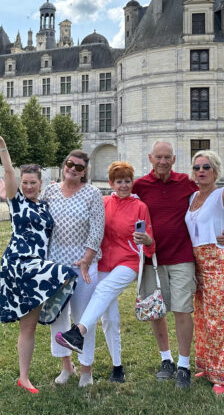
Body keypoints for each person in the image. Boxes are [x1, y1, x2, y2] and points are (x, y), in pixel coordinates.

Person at [0, 127, 78, 394]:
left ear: (41, 183)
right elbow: (9, 173)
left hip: (37, 266)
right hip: (20, 263)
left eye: (32, 182)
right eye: (24, 182)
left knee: (29, 324)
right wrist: (2, 144)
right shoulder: (16, 202)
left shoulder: (45, 205)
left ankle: (33, 374)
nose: (27, 186)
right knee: (65, 273)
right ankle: (25, 376)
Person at [131, 141, 224, 390]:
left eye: (167, 157)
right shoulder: (140, 185)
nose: (162, 161)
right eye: (158, 157)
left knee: (183, 311)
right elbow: (122, 204)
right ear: (151, 158)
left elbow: (213, 201)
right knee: (156, 311)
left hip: (182, 257)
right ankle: (167, 360)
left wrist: (223, 229)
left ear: (173, 160)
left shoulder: (186, 183)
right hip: (152, 259)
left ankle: (184, 365)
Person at [56, 161, 155, 383]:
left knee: (102, 289)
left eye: (127, 181)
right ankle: (117, 367)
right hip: (103, 264)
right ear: (111, 183)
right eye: (119, 181)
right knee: (110, 317)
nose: (123, 185)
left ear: (132, 183)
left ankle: (78, 331)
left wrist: (147, 240)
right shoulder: (102, 203)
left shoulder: (140, 207)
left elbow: (150, 245)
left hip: (128, 263)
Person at [41, 150, 105, 387]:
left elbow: (97, 230)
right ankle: (67, 366)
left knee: (82, 321)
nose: (73, 169)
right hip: (56, 267)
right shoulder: (50, 191)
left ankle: (86, 371)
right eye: (70, 164)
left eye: (79, 167)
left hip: (83, 268)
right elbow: (43, 225)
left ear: (85, 172)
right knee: (58, 318)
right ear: (64, 165)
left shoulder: (92, 194)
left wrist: (87, 259)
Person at [186, 139, 224, 395]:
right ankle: (206, 365)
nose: (201, 170)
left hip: (217, 260)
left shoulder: (220, 195)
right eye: (197, 166)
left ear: (216, 172)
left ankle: (222, 375)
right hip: (196, 261)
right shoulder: (191, 197)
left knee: (218, 319)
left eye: (206, 167)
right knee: (201, 317)